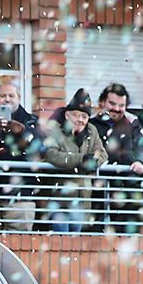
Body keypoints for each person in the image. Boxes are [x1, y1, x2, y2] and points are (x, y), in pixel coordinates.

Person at [0, 82, 43, 230]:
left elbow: (39, 148)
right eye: (3, 96)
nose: (7, 99)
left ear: (19, 98)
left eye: (11, 95)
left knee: (18, 240)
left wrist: (22, 131)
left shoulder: (31, 120)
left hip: (21, 194)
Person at [94, 82, 143, 232]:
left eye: (121, 105)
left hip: (127, 189)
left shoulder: (132, 123)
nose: (116, 108)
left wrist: (140, 161)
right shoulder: (92, 123)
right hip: (98, 191)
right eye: (112, 103)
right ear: (102, 102)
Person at [42, 89, 102, 233]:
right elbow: (50, 154)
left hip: (82, 199)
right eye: (76, 115)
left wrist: (92, 162)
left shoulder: (92, 131)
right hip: (59, 198)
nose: (80, 120)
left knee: (75, 241)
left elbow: (102, 153)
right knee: (61, 240)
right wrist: (81, 160)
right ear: (67, 115)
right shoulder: (54, 129)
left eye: (84, 116)